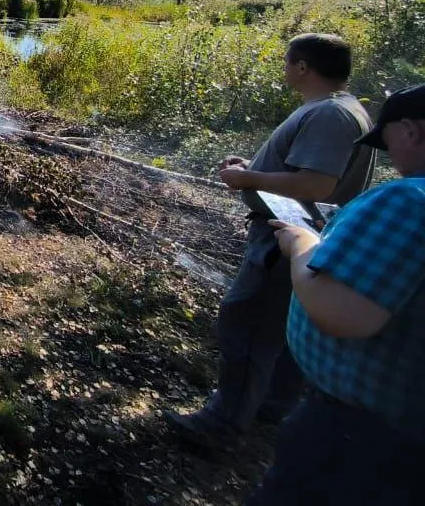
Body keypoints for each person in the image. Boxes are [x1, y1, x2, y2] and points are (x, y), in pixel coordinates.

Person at [163, 33, 373, 449]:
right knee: (283, 328)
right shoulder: (338, 109)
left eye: (288, 62)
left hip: (285, 239)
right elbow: (302, 170)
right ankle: (268, 406)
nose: (285, 68)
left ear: (303, 67)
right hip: (298, 236)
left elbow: (317, 182)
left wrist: (250, 178)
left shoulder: (330, 114)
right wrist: (252, 166)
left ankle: (222, 424)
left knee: (247, 323)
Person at [249, 84, 425, 505]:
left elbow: (342, 313)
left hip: (362, 438)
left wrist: (303, 245)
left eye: (388, 142)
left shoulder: (409, 199)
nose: (390, 155)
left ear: (411, 130)